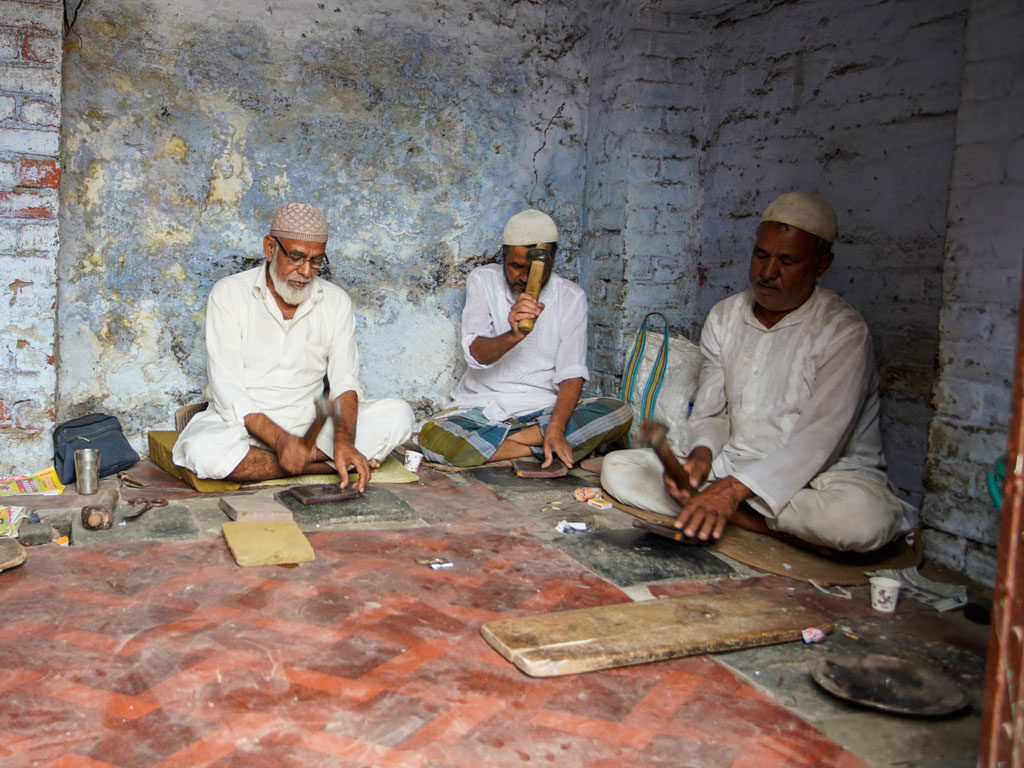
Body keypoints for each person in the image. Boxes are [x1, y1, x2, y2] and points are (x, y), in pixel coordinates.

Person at [601, 192, 916, 553]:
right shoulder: (725, 316)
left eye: (787, 261)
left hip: (820, 478)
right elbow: (711, 413)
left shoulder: (843, 331)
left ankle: (719, 508)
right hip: (733, 461)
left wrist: (731, 491)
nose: (767, 273)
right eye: (761, 256)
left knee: (858, 520)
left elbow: (817, 442)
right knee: (619, 468)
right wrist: (702, 459)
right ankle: (761, 525)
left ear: (821, 264)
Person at [173, 202, 414, 490]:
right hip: (241, 426)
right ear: (270, 248)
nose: (306, 271)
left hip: (310, 428)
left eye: (316, 261)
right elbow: (228, 389)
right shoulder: (229, 294)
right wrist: (281, 442)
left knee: (398, 415)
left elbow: (344, 382)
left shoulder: (336, 302)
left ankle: (295, 460)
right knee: (203, 451)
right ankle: (319, 465)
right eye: (297, 258)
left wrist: (344, 441)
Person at [418, 209, 632, 468]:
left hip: (543, 412)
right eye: (516, 266)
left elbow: (571, 372)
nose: (523, 277)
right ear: (503, 256)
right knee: (432, 439)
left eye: (533, 270)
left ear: (551, 261)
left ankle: (507, 447)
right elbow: (476, 354)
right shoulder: (483, 281)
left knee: (619, 412)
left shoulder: (571, 297)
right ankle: (541, 448)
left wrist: (556, 426)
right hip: (482, 410)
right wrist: (514, 334)